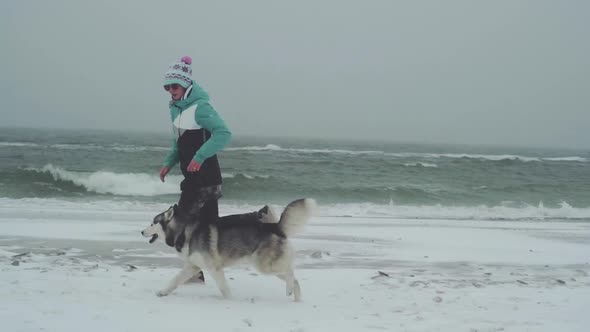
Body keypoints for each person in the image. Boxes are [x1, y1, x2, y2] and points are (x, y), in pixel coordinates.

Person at [159, 55, 232, 227]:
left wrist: (199, 157)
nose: (171, 90)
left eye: (174, 85)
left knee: (202, 229)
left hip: (207, 180)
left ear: (185, 84)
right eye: (167, 87)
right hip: (191, 178)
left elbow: (223, 133)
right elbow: (179, 140)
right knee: (190, 229)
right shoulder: (176, 109)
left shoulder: (200, 107)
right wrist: (169, 163)